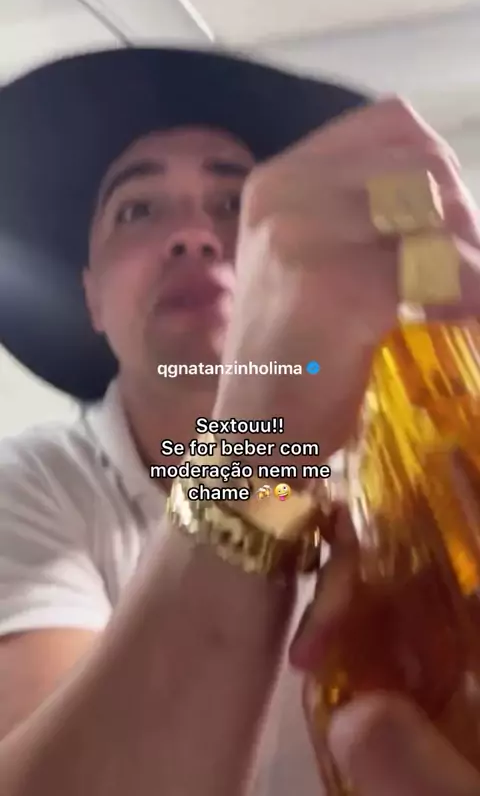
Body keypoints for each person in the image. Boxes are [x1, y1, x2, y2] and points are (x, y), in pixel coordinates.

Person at [0, 46, 479, 796]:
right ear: (91, 297)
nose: (193, 235)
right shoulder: (33, 487)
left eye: (235, 205)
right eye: (137, 210)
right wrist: (257, 453)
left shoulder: (409, 454)